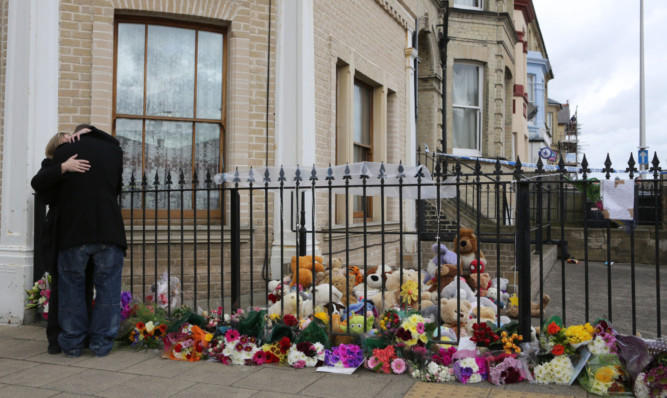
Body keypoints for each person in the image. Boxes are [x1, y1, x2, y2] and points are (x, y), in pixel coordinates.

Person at [52, 124, 127, 358]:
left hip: (74, 230)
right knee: (108, 291)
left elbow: (51, 190)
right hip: (108, 229)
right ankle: (102, 344)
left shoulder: (64, 152)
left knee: (71, 289)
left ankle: (73, 344)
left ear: (76, 133)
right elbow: (116, 188)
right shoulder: (113, 151)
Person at [31, 130, 93, 354]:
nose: (69, 146)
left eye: (72, 141)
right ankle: (56, 339)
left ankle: (84, 336)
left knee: (86, 285)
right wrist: (63, 167)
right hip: (60, 234)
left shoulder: (85, 164)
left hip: (84, 232)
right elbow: (38, 183)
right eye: (64, 143)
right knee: (59, 287)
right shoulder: (50, 165)